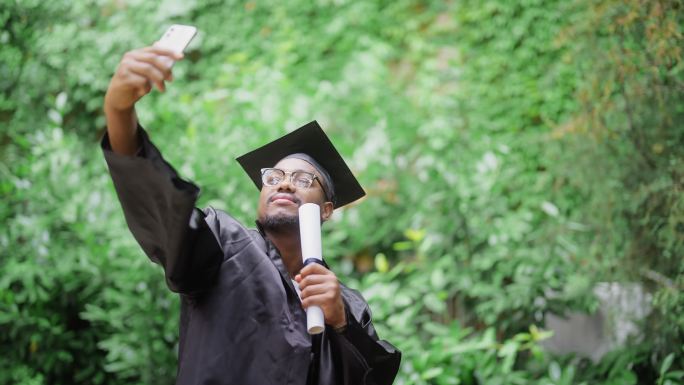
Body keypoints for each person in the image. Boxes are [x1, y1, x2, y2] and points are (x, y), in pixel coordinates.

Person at [101, 44, 401, 385]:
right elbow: (163, 208)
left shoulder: (346, 304)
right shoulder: (224, 245)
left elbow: (374, 377)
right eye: (273, 177)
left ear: (326, 210)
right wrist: (119, 112)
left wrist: (342, 324)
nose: (285, 185)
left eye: (303, 180)